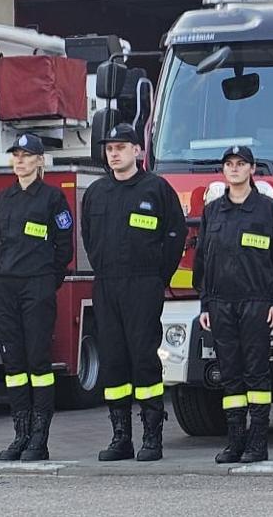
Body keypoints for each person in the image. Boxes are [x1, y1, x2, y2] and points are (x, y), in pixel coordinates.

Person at [82, 123, 188, 462]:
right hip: (107, 284)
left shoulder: (156, 189)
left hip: (144, 284)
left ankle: (152, 437)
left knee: (144, 359)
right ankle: (120, 437)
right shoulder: (97, 193)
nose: (114, 154)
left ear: (137, 151)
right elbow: (88, 236)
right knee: (113, 361)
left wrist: (159, 277)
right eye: (110, 149)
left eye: (121, 147)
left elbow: (175, 235)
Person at [194, 145, 273, 464]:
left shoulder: (267, 210)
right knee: (230, 376)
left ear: (252, 170)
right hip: (221, 305)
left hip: (257, 304)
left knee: (256, 375)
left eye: (240, 164)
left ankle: (258, 442)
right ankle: (235, 441)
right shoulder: (212, 211)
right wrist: (205, 304)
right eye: (229, 164)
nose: (234, 169)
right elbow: (202, 263)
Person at [0, 132, 75, 462]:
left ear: (40, 161)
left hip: (37, 286)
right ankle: (20, 435)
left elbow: (63, 246)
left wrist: (46, 280)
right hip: (5, 285)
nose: (20, 160)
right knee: (13, 364)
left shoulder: (52, 199)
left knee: (37, 362)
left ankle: (40, 438)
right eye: (16, 155)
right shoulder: (4, 198)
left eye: (27, 155)